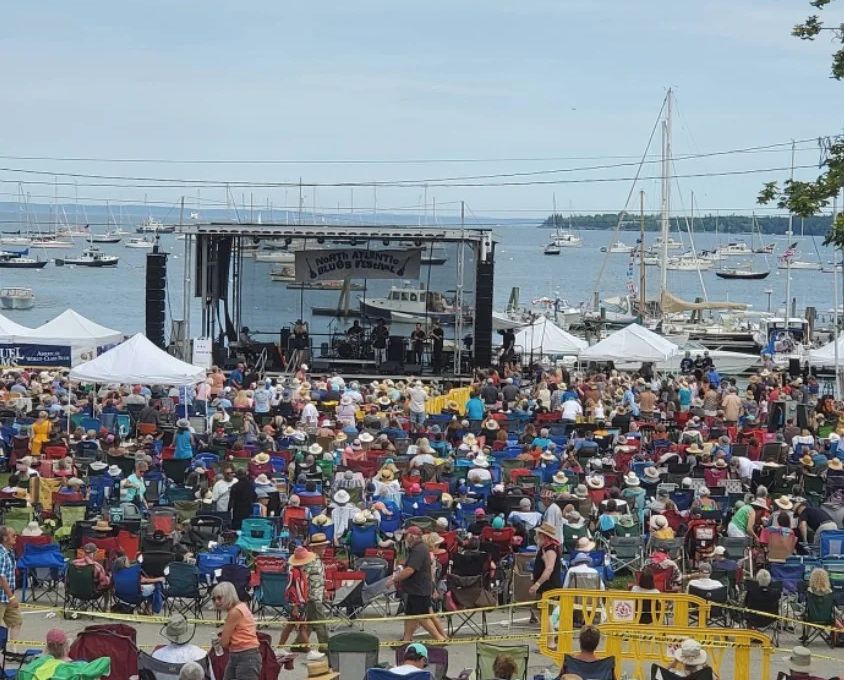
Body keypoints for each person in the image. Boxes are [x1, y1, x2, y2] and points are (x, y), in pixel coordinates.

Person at [386, 526, 446, 642]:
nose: (405, 538)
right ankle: (407, 639)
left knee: (422, 617)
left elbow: (410, 570)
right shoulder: (417, 549)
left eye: (406, 535)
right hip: (414, 589)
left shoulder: (419, 550)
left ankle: (439, 639)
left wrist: (394, 579)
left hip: (419, 589)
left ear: (412, 536)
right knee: (411, 616)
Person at [212, 581, 261, 680]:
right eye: (214, 599)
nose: (216, 601)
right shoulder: (241, 607)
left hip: (245, 656)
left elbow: (224, 643)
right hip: (245, 654)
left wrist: (220, 642)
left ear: (228, 596)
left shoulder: (234, 612)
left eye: (219, 598)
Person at [0, 526, 20, 640]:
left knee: (16, 621)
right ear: (4, 538)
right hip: (2, 596)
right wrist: (12, 597)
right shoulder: (1, 555)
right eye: (13, 535)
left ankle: (13, 649)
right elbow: (1, 578)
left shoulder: (10, 552)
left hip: (7, 596)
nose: (15, 537)